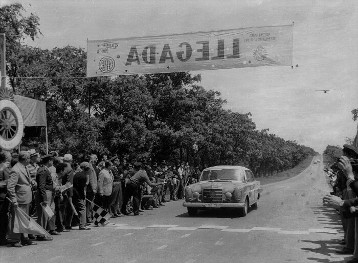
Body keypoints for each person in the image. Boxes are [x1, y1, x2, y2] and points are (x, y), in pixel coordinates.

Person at [323, 144, 358, 263]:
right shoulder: (347, 166)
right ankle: (349, 244)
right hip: (345, 192)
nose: (344, 157)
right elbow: (335, 170)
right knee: (347, 221)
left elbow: (352, 181)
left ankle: (350, 247)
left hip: (351, 193)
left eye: (345, 154)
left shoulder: (352, 166)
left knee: (351, 222)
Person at [7, 151, 37, 247]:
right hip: (19, 199)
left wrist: (31, 181)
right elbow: (10, 187)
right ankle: (15, 239)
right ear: (25, 159)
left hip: (26, 198)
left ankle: (24, 238)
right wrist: (14, 200)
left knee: (25, 219)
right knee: (16, 220)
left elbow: (26, 179)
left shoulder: (24, 167)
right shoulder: (16, 169)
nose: (30, 160)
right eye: (29, 158)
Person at [35, 154, 58, 240]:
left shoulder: (44, 169)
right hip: (45, 194)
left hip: (47, 193)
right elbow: (41, 186)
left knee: (45, 214)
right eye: (51, 160)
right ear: (49, 161)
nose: (52, 162)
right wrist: (44, 198)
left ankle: (43, 233)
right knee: (43, 215)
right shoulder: (43, 170)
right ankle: (41, 234)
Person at [72, 162, 91, 230]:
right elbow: (81, 188)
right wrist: (83, 196)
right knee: (82, 208)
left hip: (73, 193)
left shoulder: (77, 174)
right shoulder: (83, 176)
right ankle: (82, 225)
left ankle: (70, 224)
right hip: (78, 194)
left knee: (73, 209)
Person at [0, 151, 11, 246]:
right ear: (6, 158)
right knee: (2, 219)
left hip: (4, 197)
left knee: (4, 218)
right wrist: (8, 182)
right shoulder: (1, 168)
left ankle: (3, 237)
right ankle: (2, 239)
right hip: (1, 198)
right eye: (10, 155)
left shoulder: (5, 167)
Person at [86, 154, 98, 224]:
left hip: (92, 188)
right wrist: (93, 188)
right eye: (96, 158)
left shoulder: (92, 166)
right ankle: (88, 218)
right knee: (89, 204)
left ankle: (90, 216)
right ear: (92, 159)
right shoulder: (89, 166)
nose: (97, 160)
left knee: (91, 203)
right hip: (90, 189)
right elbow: (90, 178)